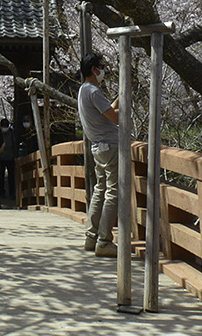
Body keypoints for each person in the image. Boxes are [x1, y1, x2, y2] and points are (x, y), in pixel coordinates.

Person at [77, 51, 119, 257]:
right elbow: (115, 117)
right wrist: (125, 106)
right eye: (101, 67)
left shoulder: (83, 90)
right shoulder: (93, 91)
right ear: (94, 69)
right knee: (113, 191)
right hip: (110, 146)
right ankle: (104, 240)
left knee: (100, 189)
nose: (103, 71)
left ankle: (91, 236)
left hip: (97, 146)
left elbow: (107, 111)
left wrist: (120, 99)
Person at [0, 117, 17, 200]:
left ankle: (12, 193)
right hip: (0, 158)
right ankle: (1, 192)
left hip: (10, 157)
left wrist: (15, 156)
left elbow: (14, 145)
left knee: (11, 177)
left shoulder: (11, 133)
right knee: (0, 176)